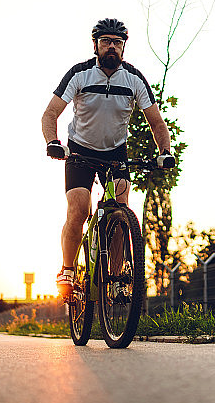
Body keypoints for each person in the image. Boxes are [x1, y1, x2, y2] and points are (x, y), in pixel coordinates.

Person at [41, 18, 174, 301]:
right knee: (79, 208)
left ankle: (115, 278)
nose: (111, 47)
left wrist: (165, 152)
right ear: (96, 46)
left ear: (123, 47)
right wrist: (53, 142)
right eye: (105, 42)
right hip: (80, 152)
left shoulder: (134, 79)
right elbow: (50, 113)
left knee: (121, 209)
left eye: (117, 42)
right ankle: (67, 269)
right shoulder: (79, 74)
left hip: (115, 154)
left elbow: (157, 122)